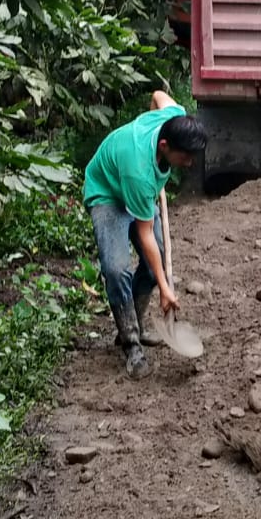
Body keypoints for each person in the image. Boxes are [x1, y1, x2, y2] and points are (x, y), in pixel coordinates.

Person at [83, 90, 208, 379]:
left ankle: (136, 324)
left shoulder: (173, 117)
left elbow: (158, 95)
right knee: (116, 270)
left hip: (137, 187)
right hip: (108, 193)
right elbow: (146, 233)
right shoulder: (139, 172)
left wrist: (160, 279)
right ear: (164, 145)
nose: (190, 163)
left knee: (155, 267)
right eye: (185, 157)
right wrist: (165, 289)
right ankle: (130, 344)